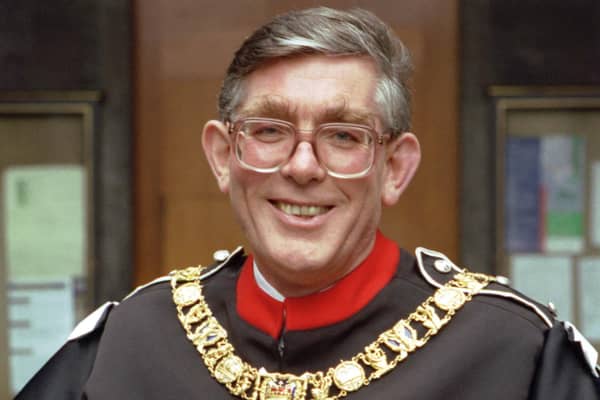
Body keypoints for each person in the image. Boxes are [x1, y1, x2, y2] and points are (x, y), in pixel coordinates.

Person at [16, 7, 600, 400]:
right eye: (269, 131)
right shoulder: (129, 342)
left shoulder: (516, 352)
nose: (301, 167)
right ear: (224, 155)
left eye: (344, 136)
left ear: (394, 168)